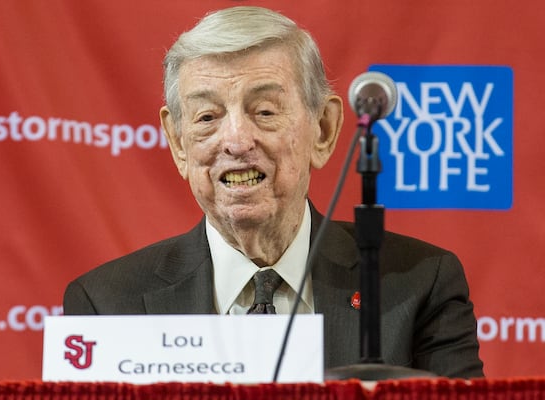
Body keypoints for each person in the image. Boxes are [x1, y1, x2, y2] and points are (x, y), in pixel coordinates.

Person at [64, 6, 484, 378]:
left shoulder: (419, 283)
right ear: (178, 143)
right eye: (207, 116)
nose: (236, 140)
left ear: (323, 130)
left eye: (264, 111)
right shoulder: (106, 303)